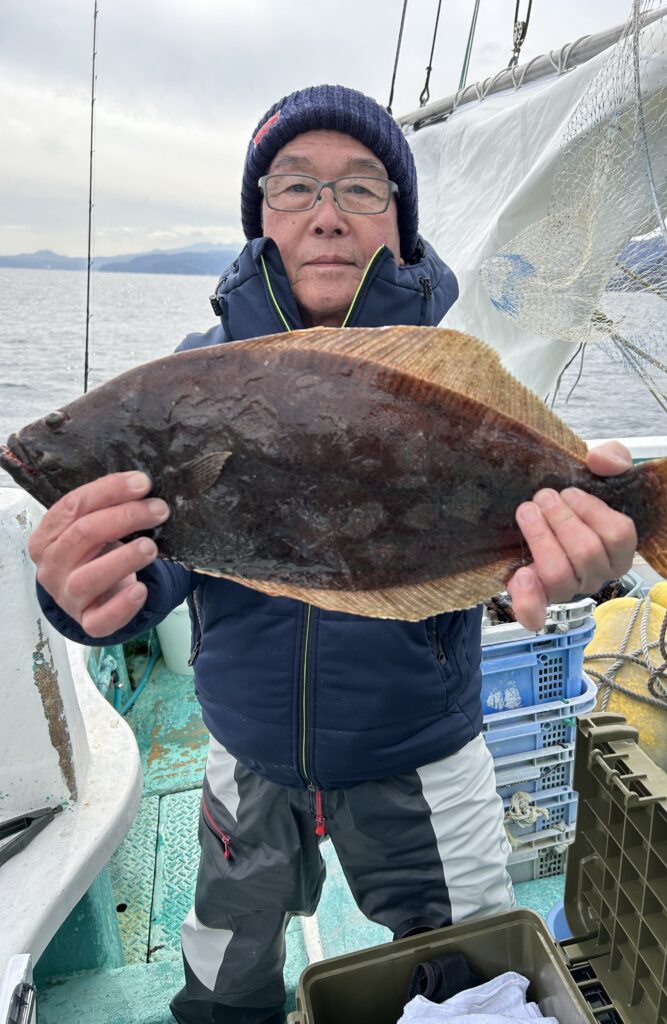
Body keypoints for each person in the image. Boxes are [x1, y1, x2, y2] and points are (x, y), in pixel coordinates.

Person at [29, 85, 636, 1024]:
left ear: (399, 222)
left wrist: (592, 546)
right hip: (247, 757)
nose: (326, 213)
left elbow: (534, 533)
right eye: (295, 185)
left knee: (480, 981)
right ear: (260, 215)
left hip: (421, 755)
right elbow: (158, 561)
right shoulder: (191, 376)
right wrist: (86, 591)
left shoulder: (449, 379)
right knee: (223, 980)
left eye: (360, 187)